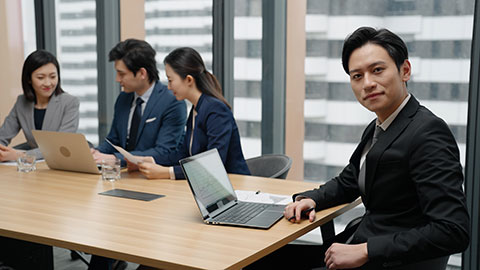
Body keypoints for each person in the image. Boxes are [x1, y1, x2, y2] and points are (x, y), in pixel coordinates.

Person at [250, 27, 470, 270]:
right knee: (258, 258)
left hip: (385, 259)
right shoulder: (380, 125)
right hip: (363, 241)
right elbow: (350, 179)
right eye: (357, 76)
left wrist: (367, 251)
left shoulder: (427, 132)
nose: (367, 83)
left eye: (377, 70)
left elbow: (453, 230)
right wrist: (310, 199)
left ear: (404, 70)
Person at [129, 47, 250, 179]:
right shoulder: (196, 109)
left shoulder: (215, 110)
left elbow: (214, 164)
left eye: (170, 80)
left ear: (189, 80)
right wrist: (151, 160)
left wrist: (167, 172)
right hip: (207, 186)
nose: (169, 87)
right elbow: (184, 154)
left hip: (233, 186)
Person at [92, 39, 187, 167]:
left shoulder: (172, 102)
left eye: (121, 74)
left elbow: (164, 151)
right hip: (126, 175)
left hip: (155, 177)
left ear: (142, 73)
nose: (117, 79)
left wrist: (116, 158)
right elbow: (113, 141)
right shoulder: (123, 98)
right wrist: (96, 153)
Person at [0, 50, 79, 161]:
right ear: (29, 79)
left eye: (52, 77)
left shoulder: (70, 102)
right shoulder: (21, 102)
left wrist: (21, 156)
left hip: (62, 163)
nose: (48, 83)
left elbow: (60, 146)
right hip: (35, 167)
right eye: (41, 78)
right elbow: (3, 136)